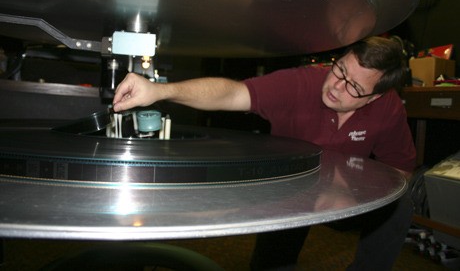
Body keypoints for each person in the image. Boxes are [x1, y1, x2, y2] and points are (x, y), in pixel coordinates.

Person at [113, 36, 416, 271]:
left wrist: (356, 196)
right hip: (291, 189)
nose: (336, 86)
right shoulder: (302, 83)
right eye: (339, 69)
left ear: (373, 97)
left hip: (348, 194)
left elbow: (400, 169)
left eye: (352, 86)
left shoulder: (387, 108)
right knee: (272, 261)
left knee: (400, 204)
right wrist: (161, 91)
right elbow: (232, 93)